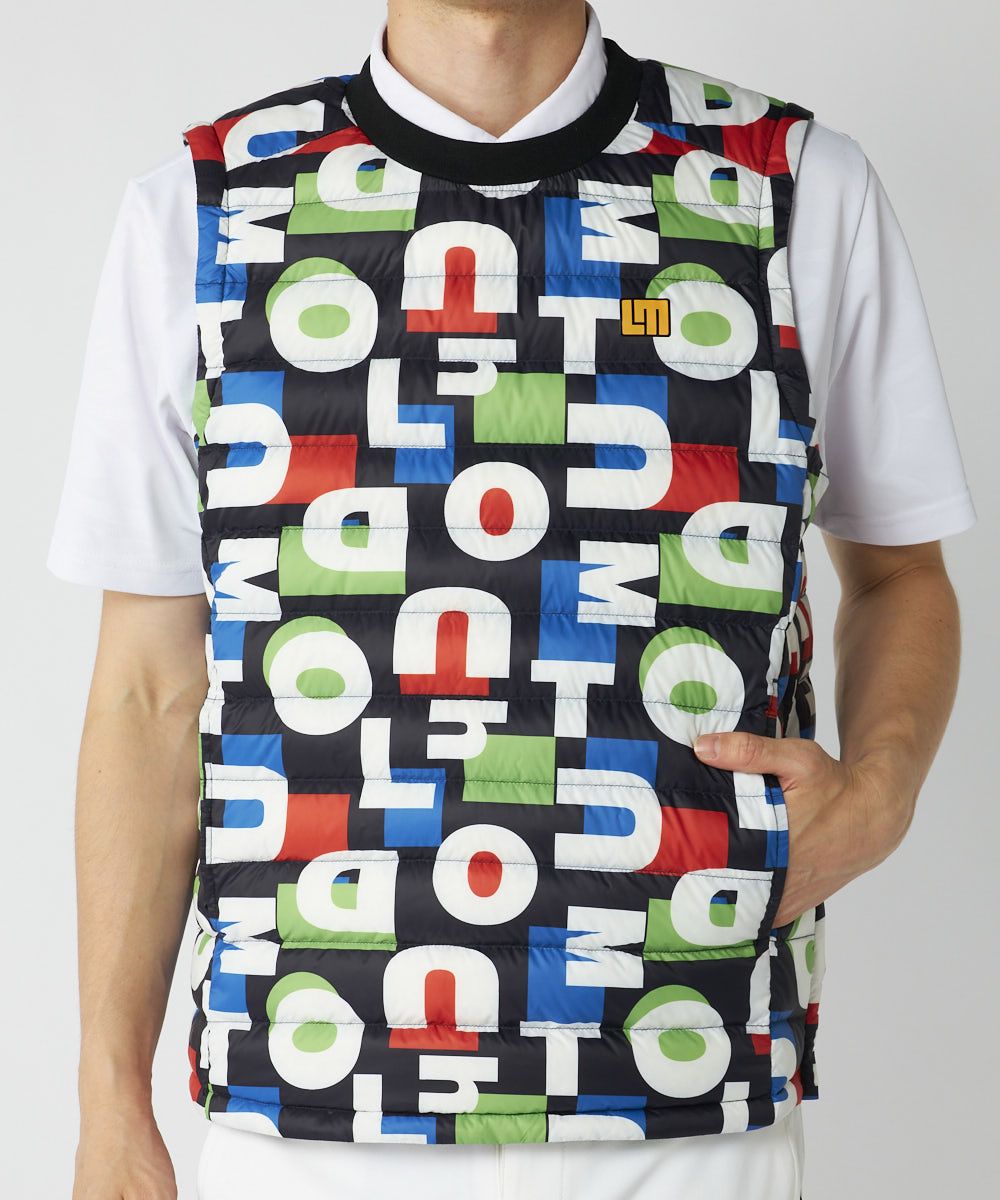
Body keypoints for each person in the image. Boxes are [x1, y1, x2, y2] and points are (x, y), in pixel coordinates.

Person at [48, 3, 976, 1198]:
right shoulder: (204, 207)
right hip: (311, 1094)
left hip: (687, 1074)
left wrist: (882, 790)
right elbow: (146, 689)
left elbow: (899, 573)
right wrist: (110, 1103)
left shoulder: (790, 188)